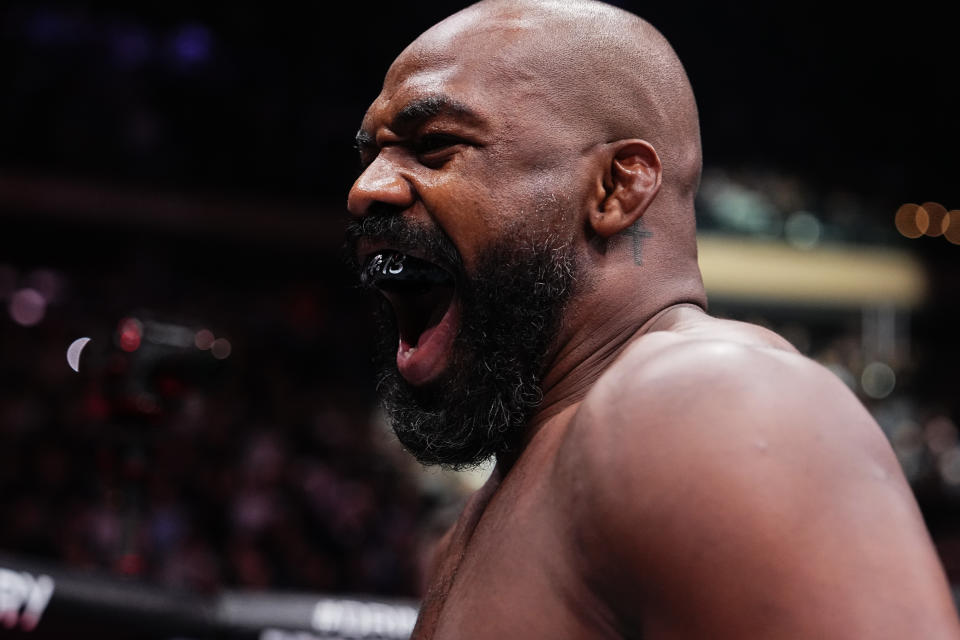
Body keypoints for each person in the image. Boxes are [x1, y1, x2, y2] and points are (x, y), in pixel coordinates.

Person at [344, 1, 960, 637]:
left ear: (616, 187)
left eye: (436, 146)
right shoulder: (506, 496)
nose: (366, 188)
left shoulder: (709, 405)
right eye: (372, 153)